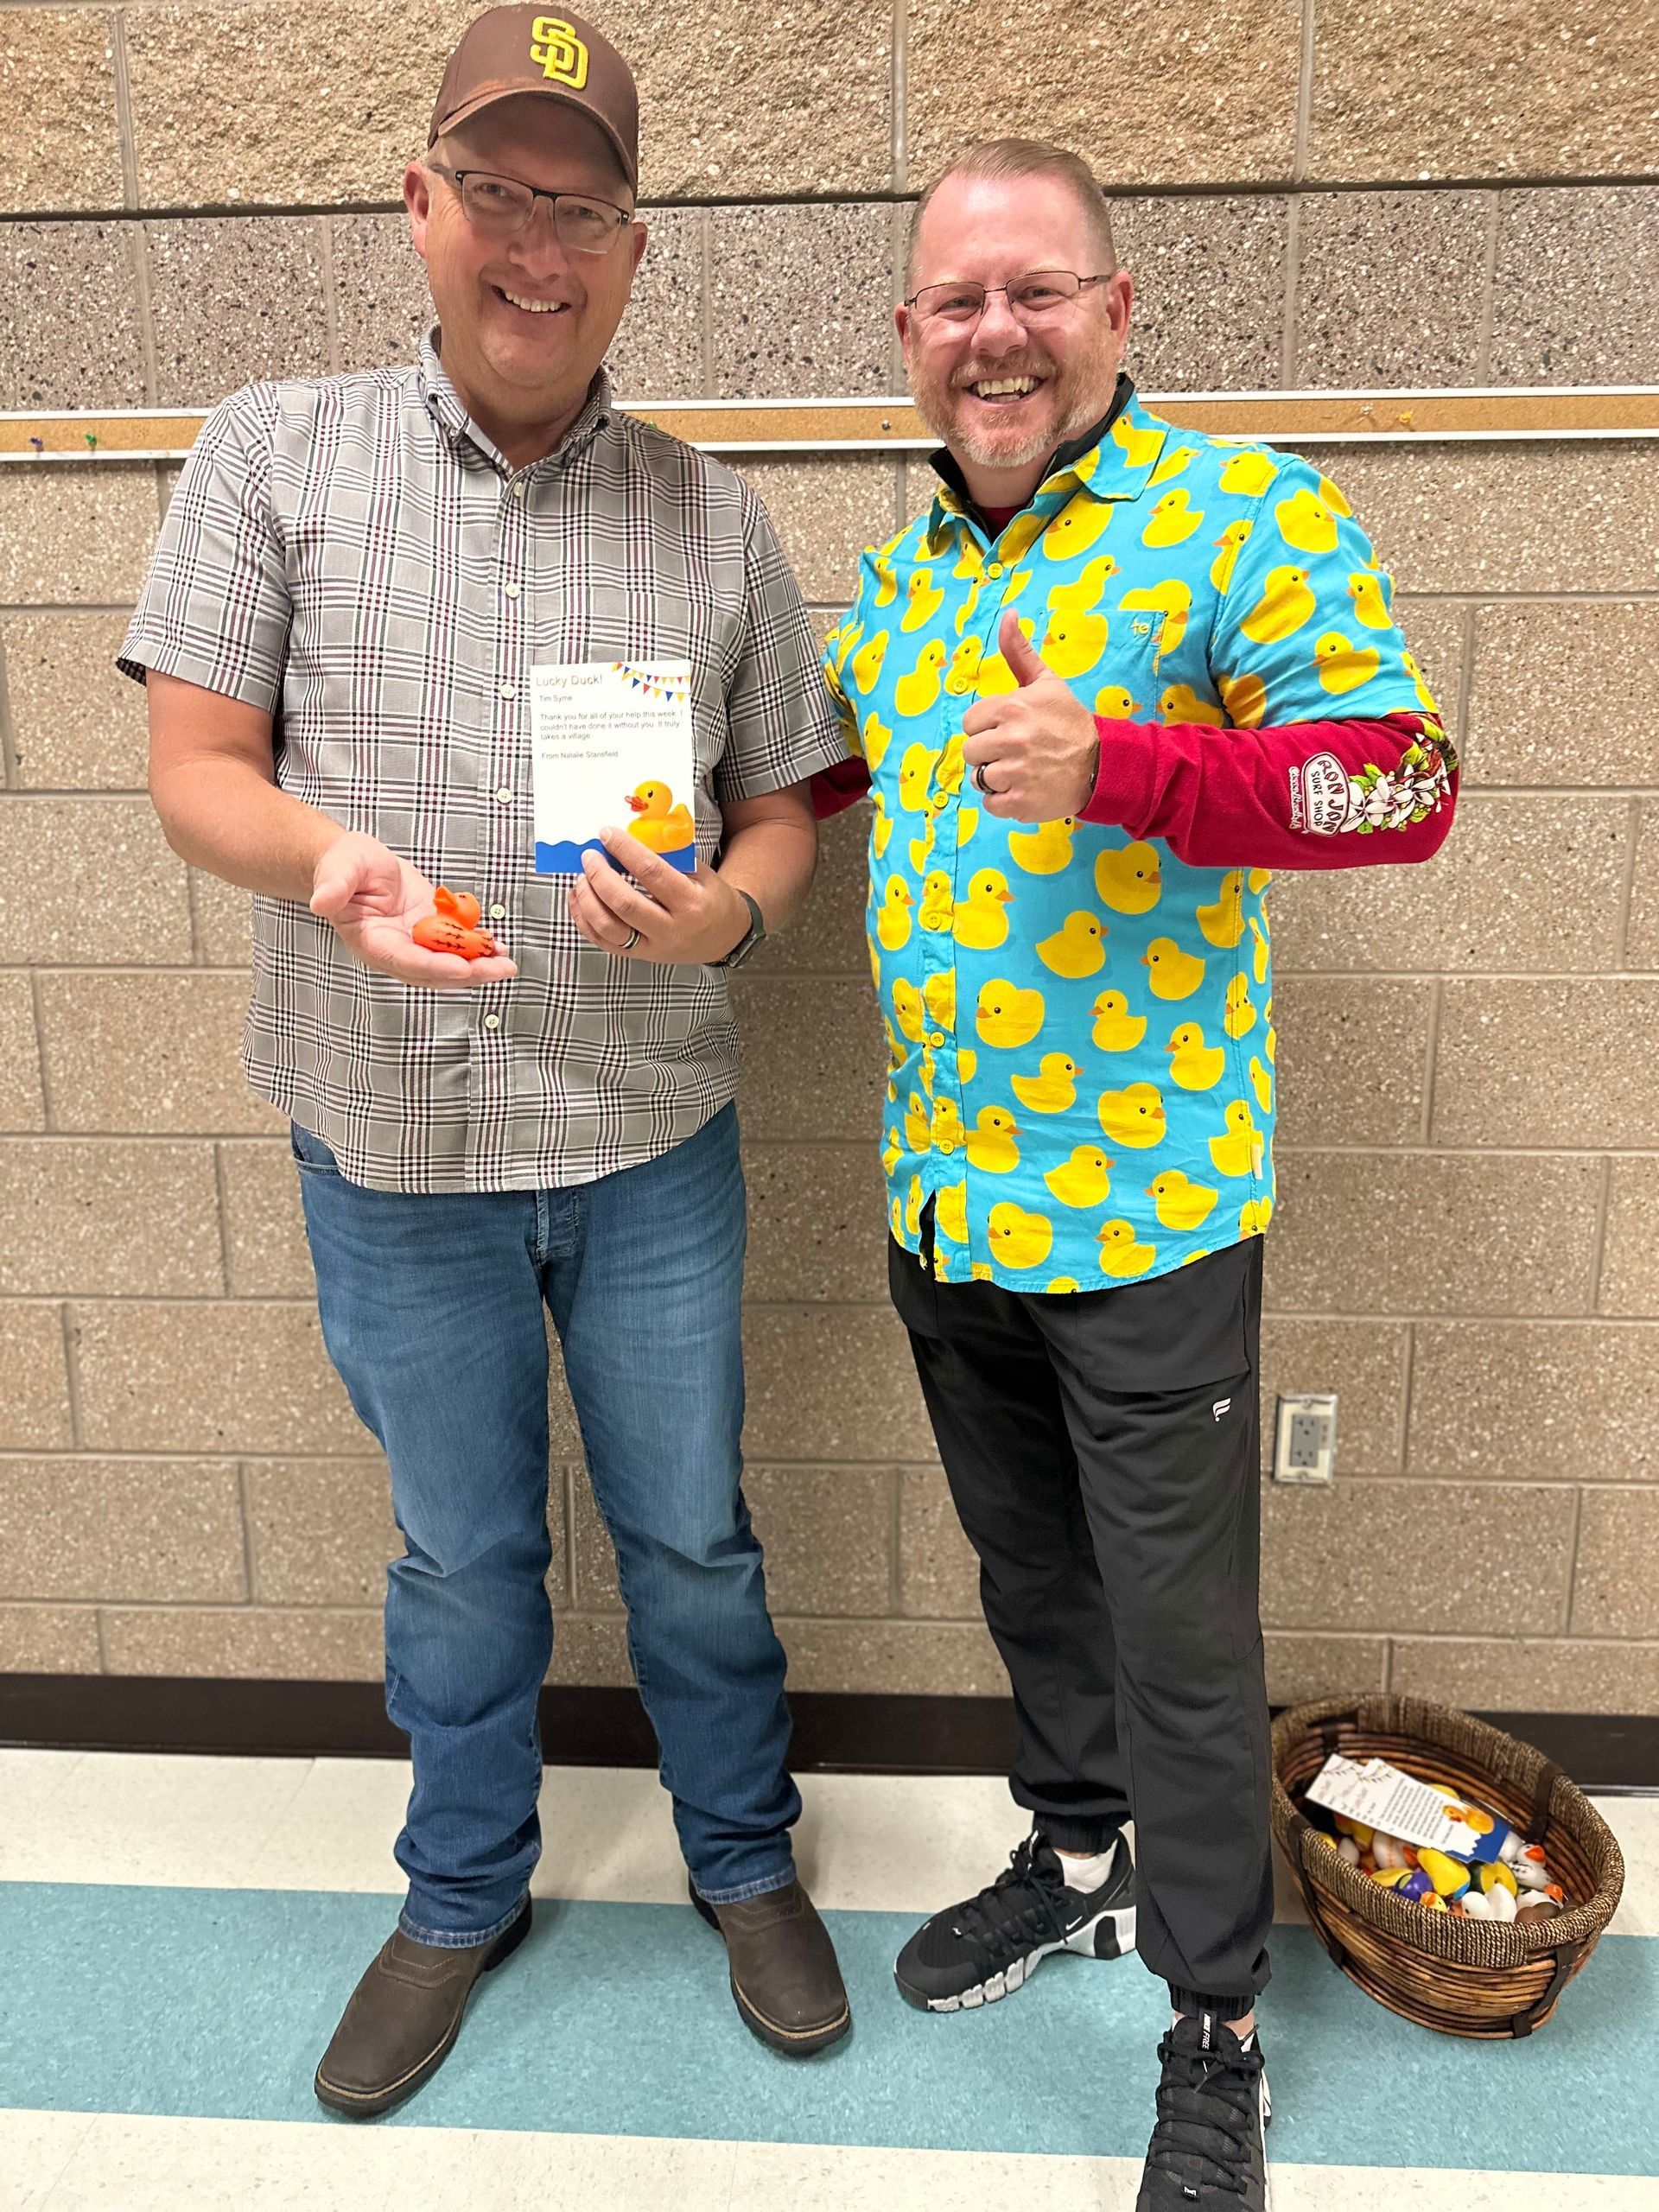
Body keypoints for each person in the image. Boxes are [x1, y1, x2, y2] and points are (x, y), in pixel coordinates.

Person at [124, 3, 854, 2120]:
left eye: (587, 209)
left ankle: (742, 1859)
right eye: (502, 196)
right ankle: (461, 1887)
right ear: (418, 201)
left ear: (637, 249)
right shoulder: (273, 449)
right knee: (461, 1554)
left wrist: (732, 907)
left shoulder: (709, 519)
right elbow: (194, 768)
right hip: (395, 1135)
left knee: (694, 1533)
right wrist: (329, 862)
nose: (540, 249)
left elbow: (802, 799)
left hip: (645, 1135)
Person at [817, 138, 1457, 2210]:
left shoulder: (1238, 516)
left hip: (1153, 1212)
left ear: (1117, 306)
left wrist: (1146, 766)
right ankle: (1077, 1852)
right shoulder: (910, 567)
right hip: (950, 1197)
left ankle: (1217, 2026)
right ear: (911, 339)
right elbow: (845, 770)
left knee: (1184, 1636)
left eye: (1035, 289)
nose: (992, 330)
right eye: (953, 301)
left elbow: (1403, 784)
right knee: (1033, 1581)